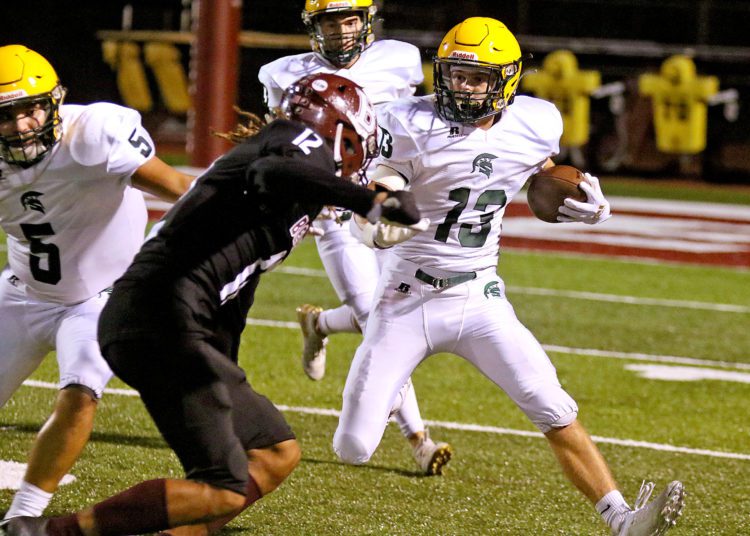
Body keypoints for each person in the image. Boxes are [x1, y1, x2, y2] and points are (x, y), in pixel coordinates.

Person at [0, 73, 424, 536]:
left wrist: (227, 369)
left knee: (277, 454)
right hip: (157, 315)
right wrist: (371, 201)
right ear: (343, 132)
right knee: (223, 484)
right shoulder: (295, 142)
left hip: (173, 319)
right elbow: (273, 172)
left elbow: (237, 288)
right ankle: (44, 533)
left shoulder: (294, 185)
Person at [333, 17, 686, 536]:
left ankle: (622, 520)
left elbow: (542, 173)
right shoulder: (409, 121)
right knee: (353, 447)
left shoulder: (534, 121)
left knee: (551, 404)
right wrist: (375, 219)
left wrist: (585, 201)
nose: (463, 86)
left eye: (477, 78)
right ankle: (387, 380)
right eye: (454, 74)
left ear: (508, 80)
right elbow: (386, 181)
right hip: (406, 297)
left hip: (479, 296)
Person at [259, 0, 452, 476]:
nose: (341, 31)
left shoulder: (400, 59)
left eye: (349, 19)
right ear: (313, 26)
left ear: (366, 21)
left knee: (406, 305)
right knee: (378, 321)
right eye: (330, 21)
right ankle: (419, 439)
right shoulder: (283, 74)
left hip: (383, 203)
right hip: (333, 211)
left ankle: (319, 325)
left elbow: (418, 126)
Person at [0, 44, 194, 520]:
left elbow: (179, 189)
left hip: (96, 299)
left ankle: (23, 515)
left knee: (81, 389)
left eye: (30, 110)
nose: (21, 125)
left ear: (54, 102)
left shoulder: (92, 136)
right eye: (5, 115)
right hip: (22, 294)